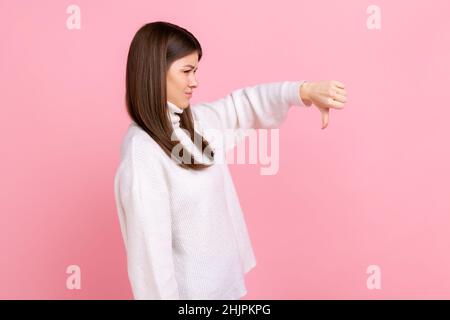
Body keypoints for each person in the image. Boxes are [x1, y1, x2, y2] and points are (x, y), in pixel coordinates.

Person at [114, 21, 347, 300]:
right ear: (154, 73)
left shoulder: (195, 122)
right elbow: (150, 260)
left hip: (225, 290)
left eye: (196, 71)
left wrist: (304, 91)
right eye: (186, 71)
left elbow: (243, 105)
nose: (195, 82)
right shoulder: (143, 152)